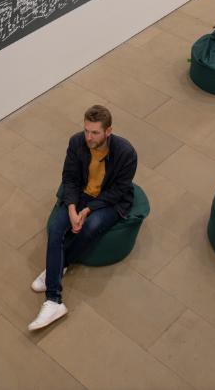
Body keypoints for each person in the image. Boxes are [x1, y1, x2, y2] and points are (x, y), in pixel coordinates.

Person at [27, 104, 137, 331]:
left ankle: (56, 276)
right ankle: (55, 299)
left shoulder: (126, 153)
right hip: (82, 195)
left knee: (89, 227)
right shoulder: (76, 142)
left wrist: (86, 211)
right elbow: (69, 178)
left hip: (110, 201)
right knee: (56, 228)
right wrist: (71, 208)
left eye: (95, 132)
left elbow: (119, 191)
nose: (89, 137)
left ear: (108, 131)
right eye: (86, 130)